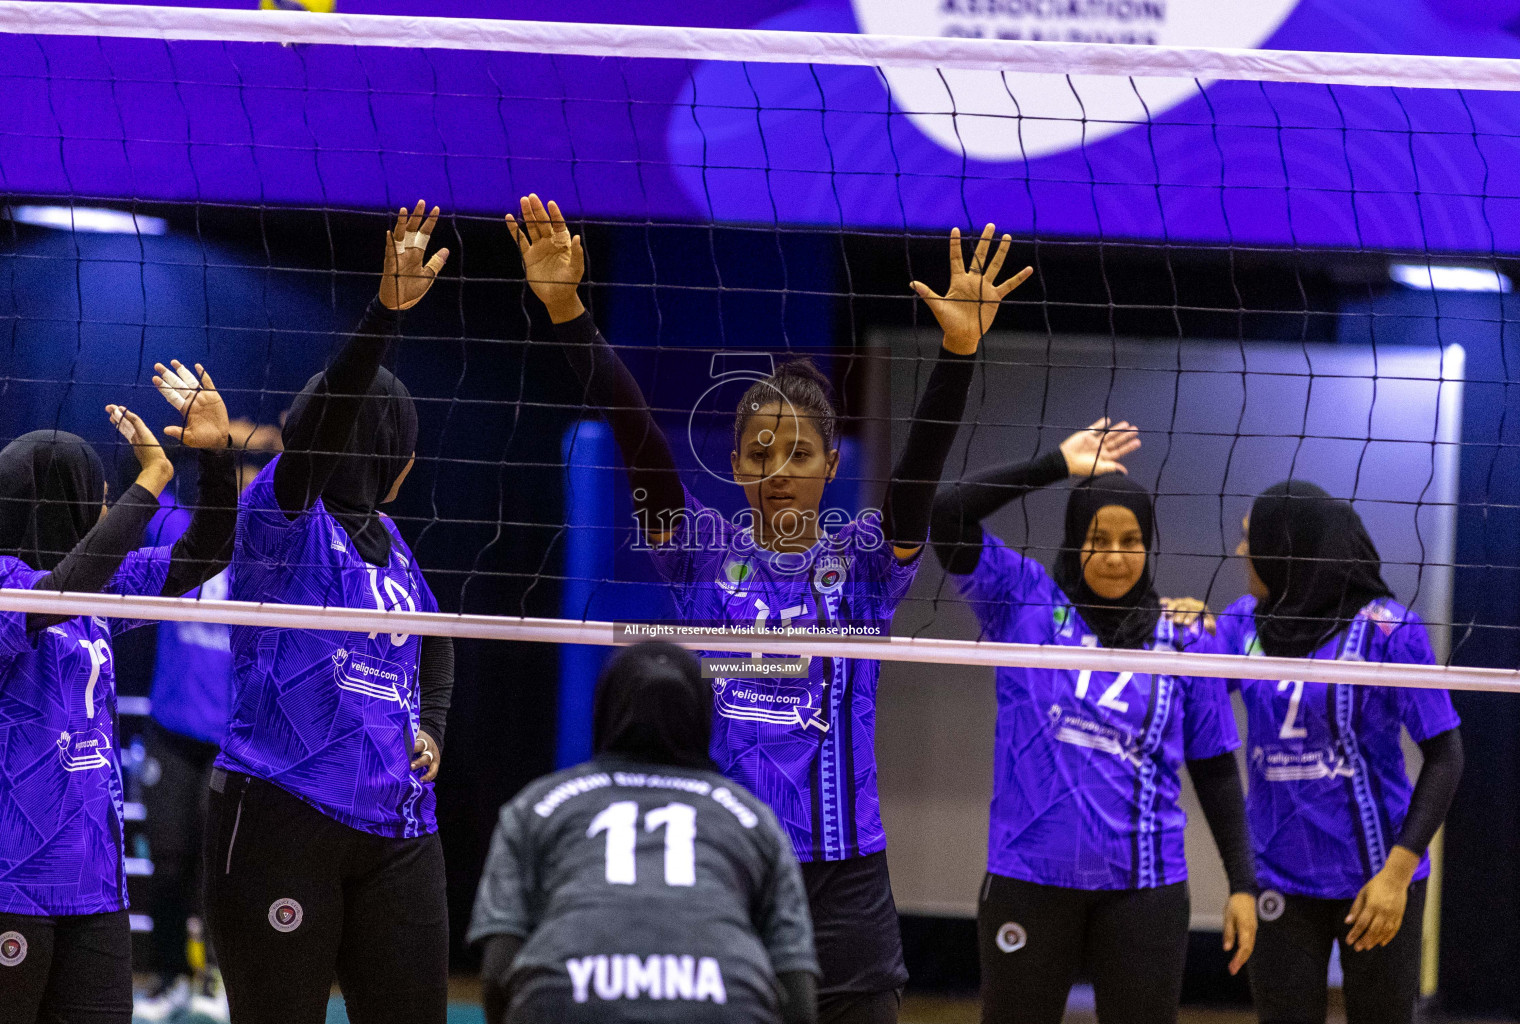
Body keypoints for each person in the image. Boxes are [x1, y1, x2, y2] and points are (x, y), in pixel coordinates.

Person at [507, 191, 1033, 1024]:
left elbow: (914, 487)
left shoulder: (862, 560)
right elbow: (640, 442)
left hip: (846, 873)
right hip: (729, 855)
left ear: (832, 464)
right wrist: (571, 313)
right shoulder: (702, 552)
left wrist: (958, 353)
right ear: (736, 466)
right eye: (760, 451)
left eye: (799, 452)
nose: (779, 466)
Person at [202, 201, 456, 1024]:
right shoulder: (283, 517)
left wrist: (435, 726)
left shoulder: (394, 546)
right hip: (283, 809)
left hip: (397, 828)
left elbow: (442, 643)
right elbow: (313, 437)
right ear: (400, 458)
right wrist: (385, 311)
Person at [930, 431, 1258, 1024]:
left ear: (1149, 546)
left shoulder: (1185, 636)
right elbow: (946, 513)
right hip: (1029, 875)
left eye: (1130, 541)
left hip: (1144, 890)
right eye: (1098, 539)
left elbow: (1214, 769)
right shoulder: (1024, 599)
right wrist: (1055, 463)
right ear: (1075, 541)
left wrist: (1242, 884)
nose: (1114, 556)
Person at [0, 362, 238, 1024]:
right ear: (55, 502)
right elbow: (59, 592)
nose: (103, 513)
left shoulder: (93, 587)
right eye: (95, 498)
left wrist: (214, 461)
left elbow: (201, 557)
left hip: (95, 885)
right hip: (6, 881)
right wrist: (150, 482)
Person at [1205, 480, 1463, 1024]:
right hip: (1279, 876)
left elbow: (1446, 757)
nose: (1241, 552)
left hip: (1377, 879)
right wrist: (1179, 624)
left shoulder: (1388, 631)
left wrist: (1397, 874)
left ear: (1287, 546)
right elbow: (1187, 689)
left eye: (1252, 538)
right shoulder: (1241, 625)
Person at [468, 641, 820, 1024]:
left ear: (604, 709)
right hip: (723, 1002)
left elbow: (497, 974)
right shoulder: (752, 817)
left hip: (565, 1000)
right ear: (702, 714)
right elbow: (798, 998)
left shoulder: (537, 804)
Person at [133, 419, 283, 1024]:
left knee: (222, 873)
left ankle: (217, 981)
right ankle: (170, 978)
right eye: (239, 470)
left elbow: (297, 489)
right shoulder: (178, 531)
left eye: (256, 470)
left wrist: (271, 448)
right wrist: (195, 440)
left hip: (235, 744)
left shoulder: (271, 550)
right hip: (171, 734)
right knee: (168, 864)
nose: (245, 483)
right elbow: (152, 480)